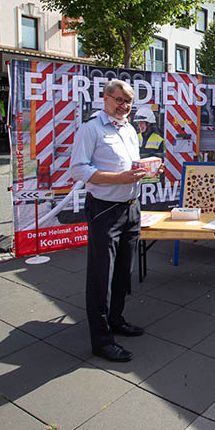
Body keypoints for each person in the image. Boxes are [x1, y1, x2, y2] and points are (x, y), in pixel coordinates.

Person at [69, 79, 147, 363]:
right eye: (119, 100)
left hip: (131, 208)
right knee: (101, 276)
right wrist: (120, 178)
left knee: (123, 273)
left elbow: (127, 166)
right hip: (105, 210)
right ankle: (101, 341)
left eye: (128, 101)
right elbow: (78, 169)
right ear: (105, 98)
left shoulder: (129, 128)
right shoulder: (91, 129)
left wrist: (145, 169)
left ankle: (116, 320)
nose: (124, 106)